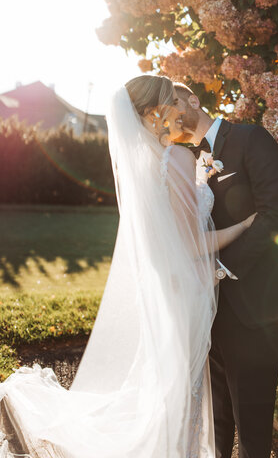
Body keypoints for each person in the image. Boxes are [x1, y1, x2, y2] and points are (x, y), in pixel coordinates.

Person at [0, 75, 254, 458]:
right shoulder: (179, 158)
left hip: (166, 287)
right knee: (183, 385)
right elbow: (191, 243)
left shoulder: (150, 161)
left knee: (170, 383)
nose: (180, 108)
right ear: (155, 112)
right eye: (173, 100)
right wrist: (245, 225)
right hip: (186, 290)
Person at [174, 82, 278, 458]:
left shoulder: (251, 139)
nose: (167, 112)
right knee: (217, 418)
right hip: (209, 307)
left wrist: (219, 269)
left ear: (194, 100)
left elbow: (274, 218)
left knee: (251, 419)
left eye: (172, 101)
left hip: (256, 304)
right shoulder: (185, 159)